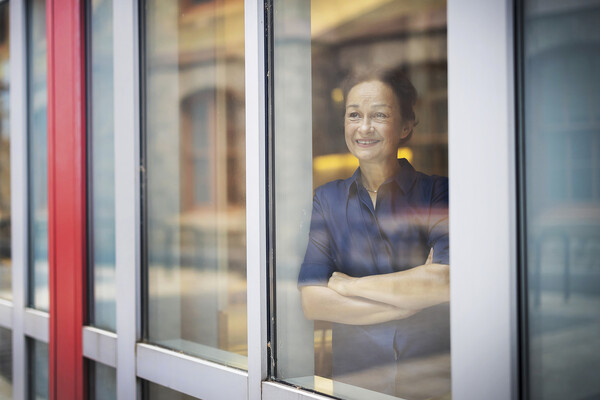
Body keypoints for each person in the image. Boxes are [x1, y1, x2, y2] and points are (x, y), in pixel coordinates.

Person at [298, 69, 450, 398]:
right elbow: (313, 301)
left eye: (379, 115)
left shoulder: (437, 191)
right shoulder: (328, 199)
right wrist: (411, 301)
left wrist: (348, 284)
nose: (364, 127)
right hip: (356, 379)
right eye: (354, 115)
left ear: (406, 126)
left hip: (430, 376)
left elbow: (444, 282)